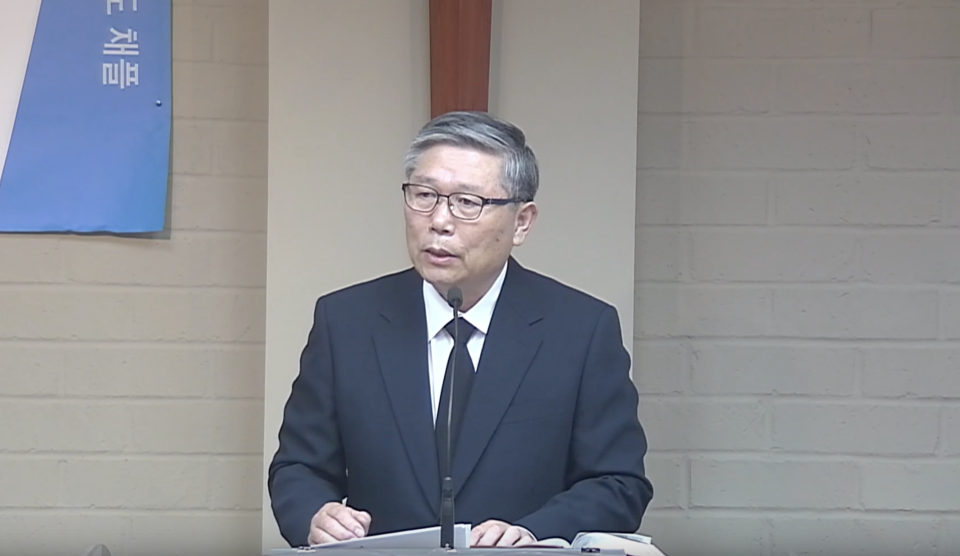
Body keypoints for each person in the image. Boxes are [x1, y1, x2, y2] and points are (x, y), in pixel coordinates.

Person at [268, 111, 654, 548]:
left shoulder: (581, 330)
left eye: (467, 203)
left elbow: (618, 483)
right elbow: (298, 467)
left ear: (522, 222)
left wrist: (535, 532)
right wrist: (316, 514)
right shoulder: (347, 322)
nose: (439, 221)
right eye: (424, 195)